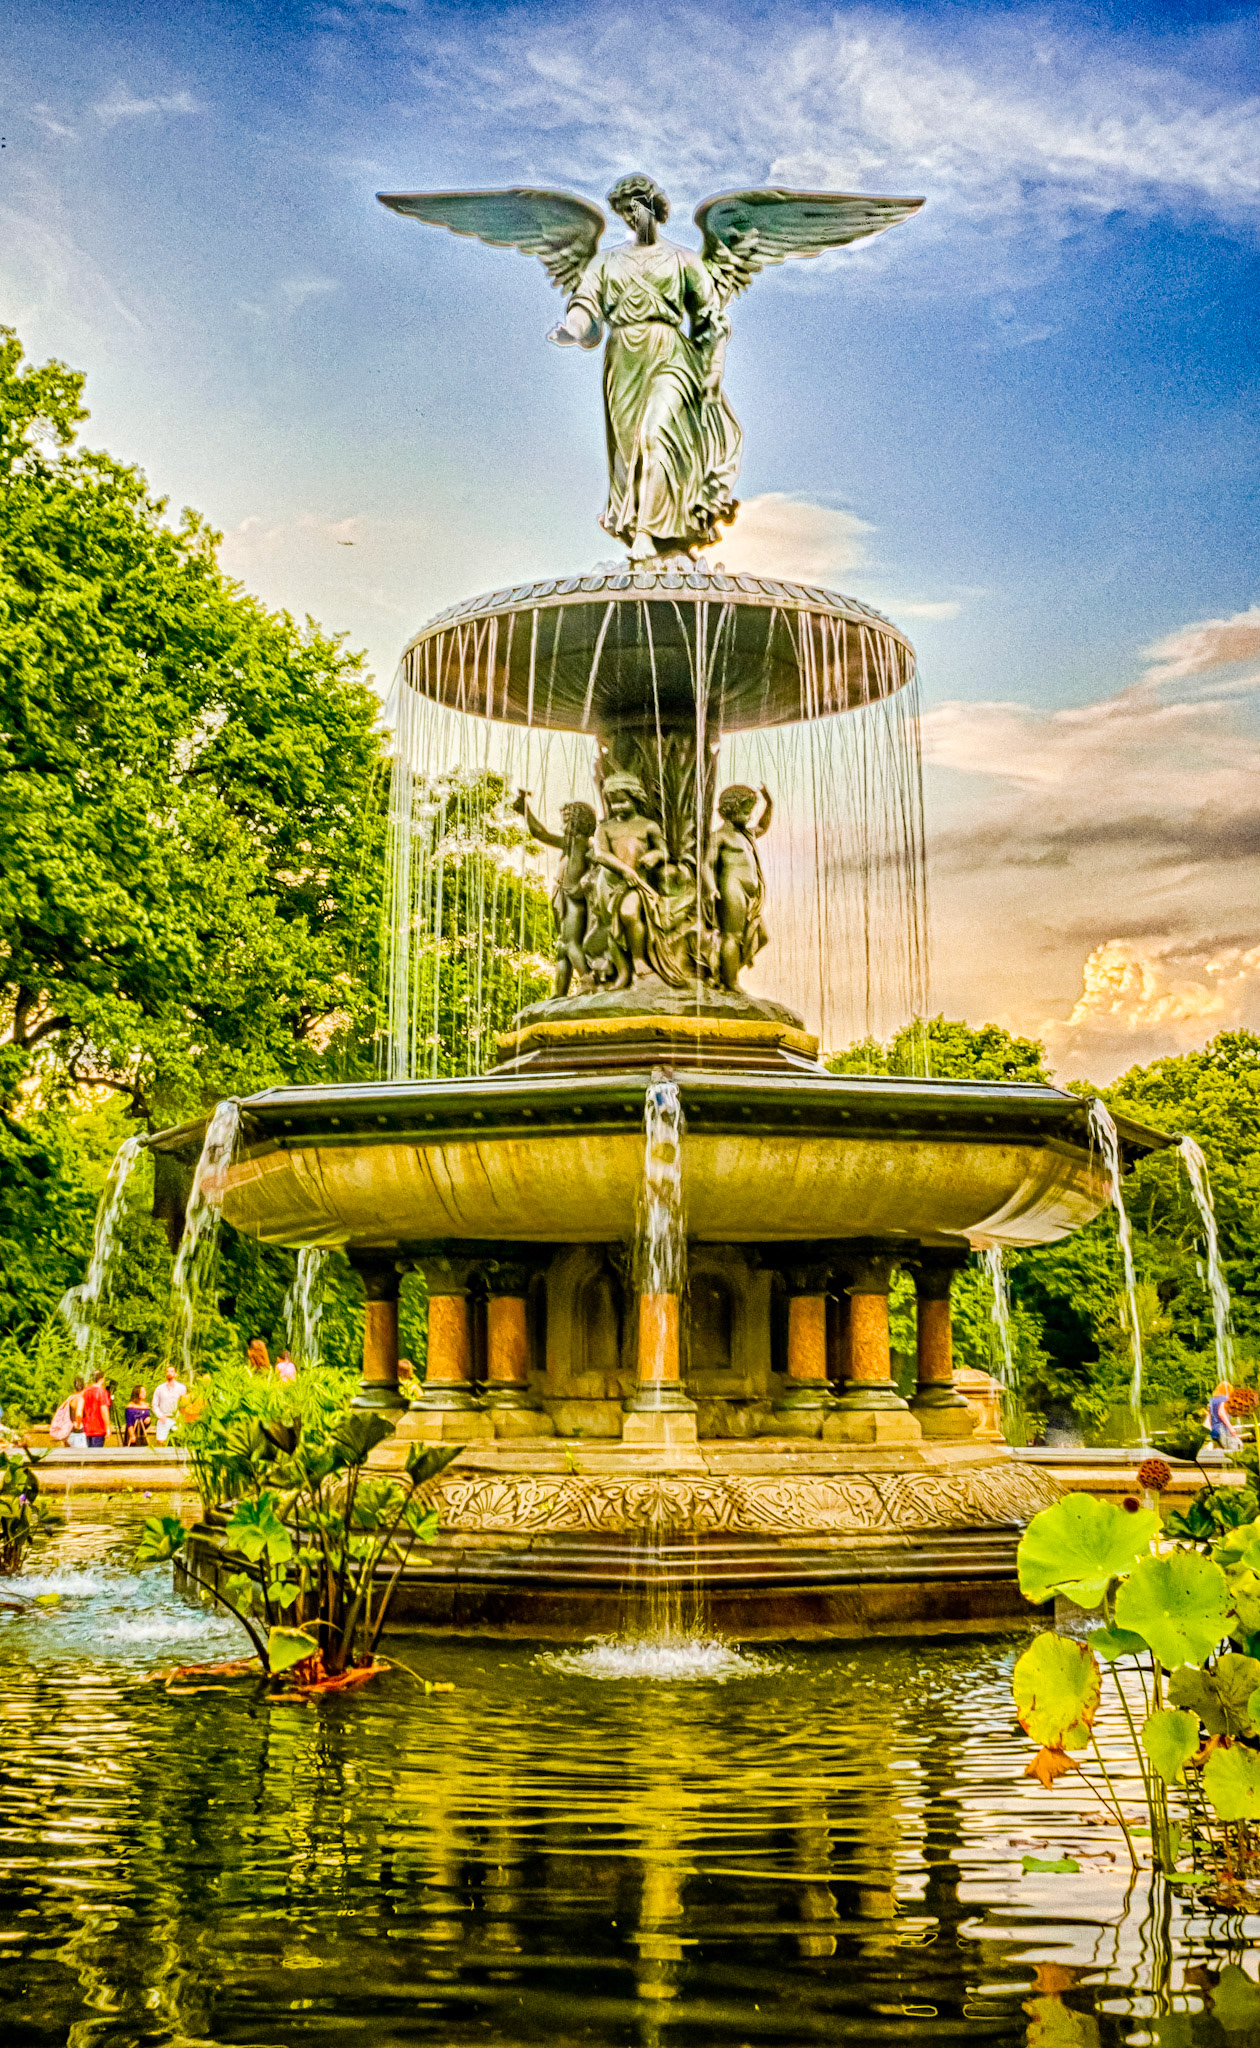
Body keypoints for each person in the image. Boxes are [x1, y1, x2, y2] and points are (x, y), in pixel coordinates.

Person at [151, 1362, 187, 1445]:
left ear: (175, 1374)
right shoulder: (159, 1388)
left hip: (177, 1419)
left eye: (171, 1371)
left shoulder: (182, 1388)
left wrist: (182, 1417)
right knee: (161, 1442)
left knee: (179, 1442)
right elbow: (154, 1405)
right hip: (164, 1418)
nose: (169, 1373)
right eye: (167, 1371)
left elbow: (184, 1403)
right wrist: (160, 1416)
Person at [80, 1369, 112, 1449]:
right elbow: (104, 1410)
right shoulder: (102, 1392)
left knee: (87, 1455)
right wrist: (107, 1427)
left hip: (86, 1428)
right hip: (98, 1429)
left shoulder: (85, 1391)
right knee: (96, 1456)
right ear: (102, 1379)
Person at [1207, 1383, 1242, 1452]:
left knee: (1219, 1451)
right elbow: (1221, 1413)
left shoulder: (1212, 1400)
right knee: (1234, 1450)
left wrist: (1210, 1429)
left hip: (1214, 1430)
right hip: (1222, 1429)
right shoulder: (1224, 1399)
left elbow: (1209, 1416)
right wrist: (1230, 1428)